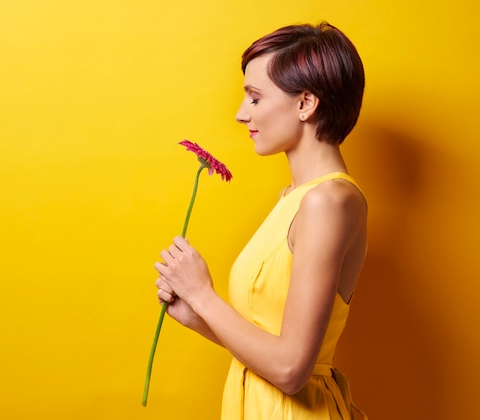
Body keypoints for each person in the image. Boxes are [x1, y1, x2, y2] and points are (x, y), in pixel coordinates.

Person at [155, 21, 368, 419]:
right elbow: (277, 349)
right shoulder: (295, 199)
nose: (240, 114)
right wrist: (199, 319)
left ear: (305, 103)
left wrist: (203, 294)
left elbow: (291, 371)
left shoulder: (328, 202)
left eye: (255, 98)